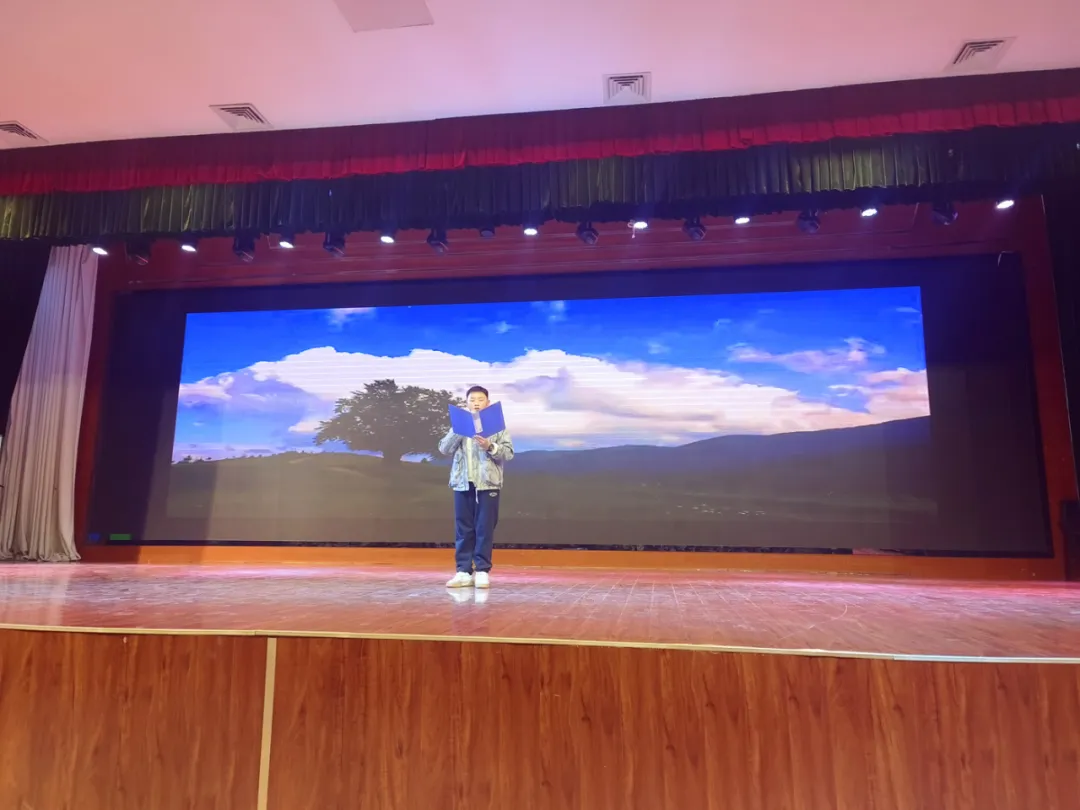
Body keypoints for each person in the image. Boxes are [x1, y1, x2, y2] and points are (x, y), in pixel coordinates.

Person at [438, 386, 514, 588]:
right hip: (462, 483)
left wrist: (490, 446)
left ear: (487, 403)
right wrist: (458, 430)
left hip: (488, 483)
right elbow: (444, 449)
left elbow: (508, 453)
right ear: (467, 403)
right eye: (472, 400)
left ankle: (482, 570)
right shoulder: (458, 426)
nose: (476, 403)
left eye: (480, 399)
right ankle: (463, 571)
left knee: (484, 527)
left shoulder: (497, 426)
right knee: (463, 528)